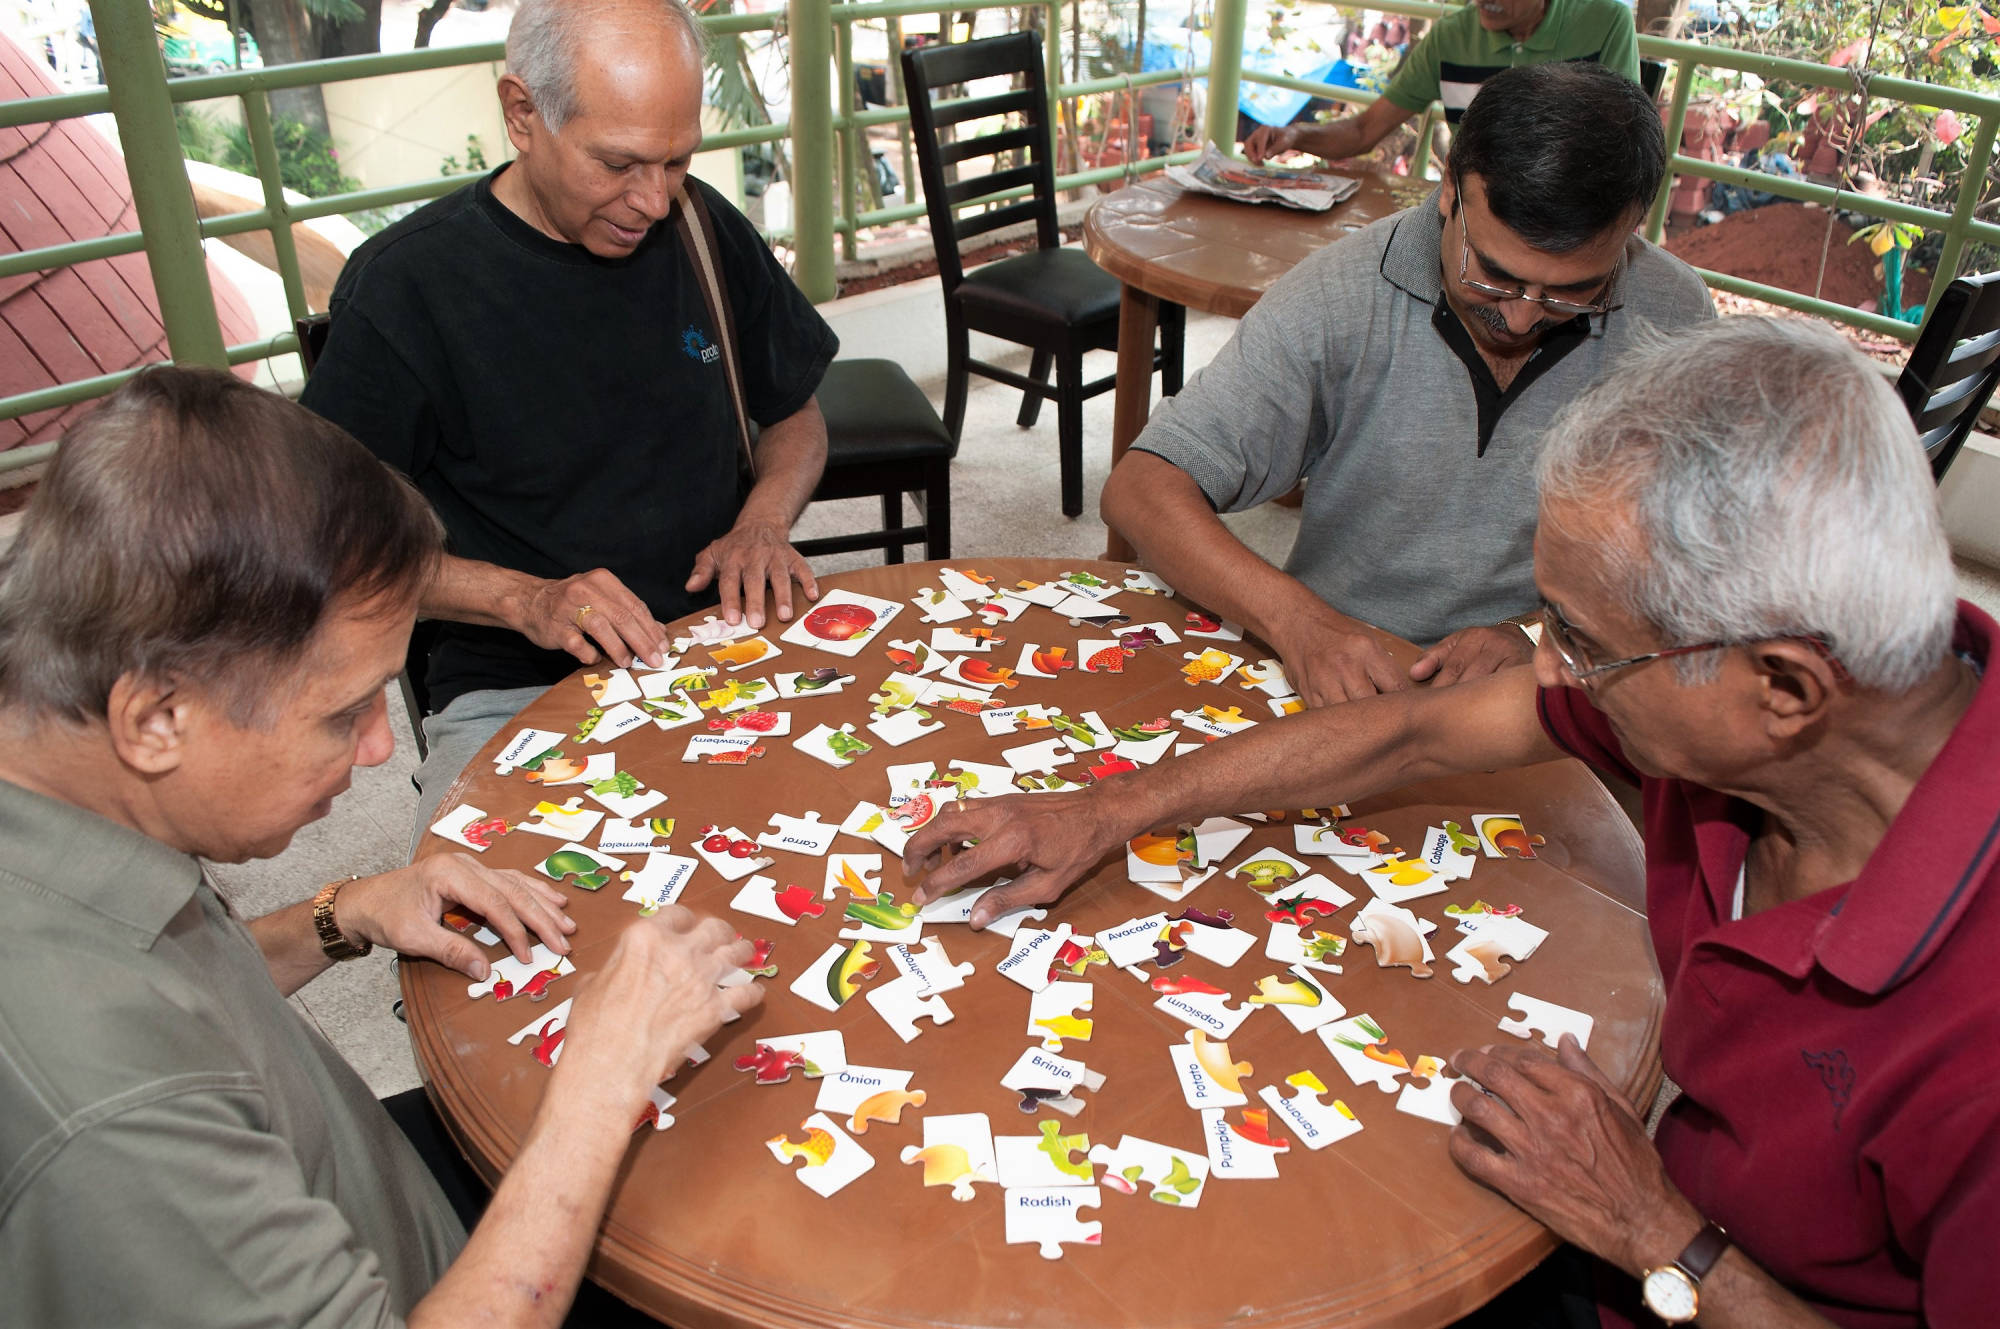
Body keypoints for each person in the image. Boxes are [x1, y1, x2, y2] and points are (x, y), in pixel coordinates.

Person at [906, 317, 1997, 1328]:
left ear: (1783, 690)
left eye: (1575, 639)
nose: (1540, 665)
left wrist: (1657, 1234)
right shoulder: (1788, 693)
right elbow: (1415, 734)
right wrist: (1108, 808)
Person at [0, 367, 762, 1327]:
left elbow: (186, 998)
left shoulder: (51, 778)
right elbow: (144, 1066)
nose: (375, 748)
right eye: (344, 711)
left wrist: (338, 914)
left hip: (361, 1187)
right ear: (156, 718)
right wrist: (604, 1083)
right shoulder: (103, 1105)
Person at [301, 0, 838, 836]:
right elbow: (328, 545)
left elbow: (795, 414)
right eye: (619, 163)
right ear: (522, 113)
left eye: (677, 161)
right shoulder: (408, 290)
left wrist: (763, 522)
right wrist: (530, 601)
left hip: (725, 640)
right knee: (487, 934)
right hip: (517, 681)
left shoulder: (701, 226)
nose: (655, 200)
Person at [1103, 62, 1713, 709]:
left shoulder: (1673, 321)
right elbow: (1142, 487)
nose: (1522, 315)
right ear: (1451, 189)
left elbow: (1692, 557)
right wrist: (1300, 623)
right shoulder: (1342, 292)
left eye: (1573, 292)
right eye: (1495, 276)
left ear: (1632, 230)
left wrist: (1542, 635)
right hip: (1346, 669)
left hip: (1550, 688)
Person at [1242, 0, 1639, 166]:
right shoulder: (1452, 35)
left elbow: (1624, 144)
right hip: (1472, 218)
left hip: (1568, 218)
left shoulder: (1605, 21)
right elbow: (1364, 130)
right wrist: (1294, 134)